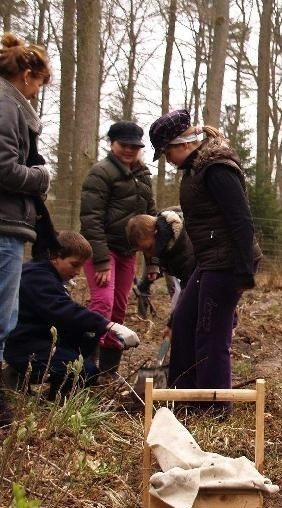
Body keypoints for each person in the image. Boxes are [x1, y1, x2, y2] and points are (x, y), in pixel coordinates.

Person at [148, 109, 261, 411]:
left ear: (182, 143)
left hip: (228, 263)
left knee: (211, 334)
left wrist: (244, 272)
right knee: (184, 321)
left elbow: (241, 221)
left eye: (166, 152)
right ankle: (181, 397)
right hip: (209, 260)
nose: (168, 160)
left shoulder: (217, 168)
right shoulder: (196, 168)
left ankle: (213, 409)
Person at [3, 231, 140, 402]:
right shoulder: (36, 276)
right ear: (55, 257)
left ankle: (52, 394)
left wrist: (97, 332)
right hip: (24, 347)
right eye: (74, 265)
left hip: (41, 340)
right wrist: (109, 325)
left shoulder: (48, 275)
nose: (78, 272)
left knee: (87, 336)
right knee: (84, 371)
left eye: (81, 266)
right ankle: (22, 379)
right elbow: (63, 310)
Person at [0, 32, 57, 425]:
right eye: (38, 84)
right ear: (27, 74)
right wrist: (40, 176)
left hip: (9, 224)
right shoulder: (6, 104)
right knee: (2, 318)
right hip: (4, 224)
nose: (37, 93)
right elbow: (4, 168)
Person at [80, 121, 155, 378]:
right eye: (124, 145)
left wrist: (153, 261)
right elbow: (91, 218)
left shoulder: (144, 176)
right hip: (102, 249)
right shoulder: (100, 173)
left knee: (119, 308)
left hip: (127, 252)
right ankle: (85, 364)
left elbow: (151, 221)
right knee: (103, 302)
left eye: (134, 146)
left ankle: (109, 370)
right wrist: (101, 260)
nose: (129, 150)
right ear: (112, 144)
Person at [126, 208, 195, 323]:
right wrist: (153, 267)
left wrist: (172, 324)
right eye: (143, 251)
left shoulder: (183, 247)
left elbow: (188, 291)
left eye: (148, 248)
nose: (148, 254)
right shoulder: (163, 240)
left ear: (157, 233)